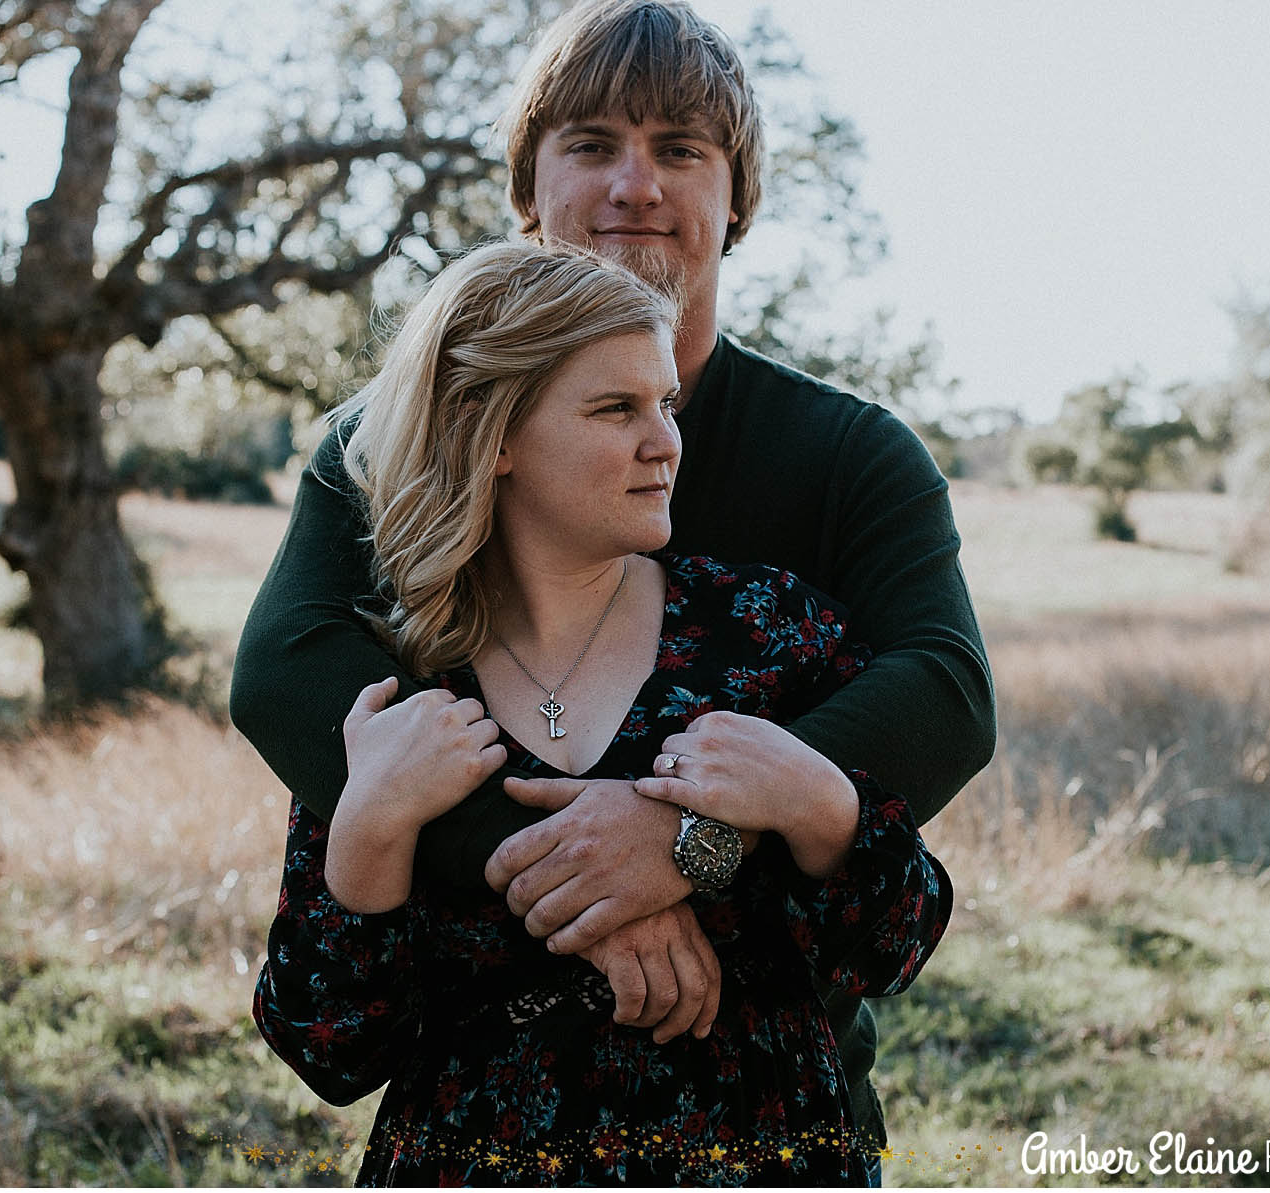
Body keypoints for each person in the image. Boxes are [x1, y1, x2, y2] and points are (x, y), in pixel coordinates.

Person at [231, 0, 995, 1147]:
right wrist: (565, 880)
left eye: (678, 150)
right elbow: (288, 674)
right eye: (589, 145)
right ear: (526, 188)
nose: (633, 185)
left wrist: (688, 842)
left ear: (734, 197)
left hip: (768, 1105)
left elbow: (941, 694)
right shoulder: (394, 437)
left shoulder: (846, 460)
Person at [253, 241, 952, 1184]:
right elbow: (326, 1047)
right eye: (616, 408)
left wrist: (822, 808)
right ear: (491, 432)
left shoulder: (768, 633)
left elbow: (894, 946)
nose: (665, 439)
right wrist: (372, 825)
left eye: (664, 403)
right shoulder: (402, 691)